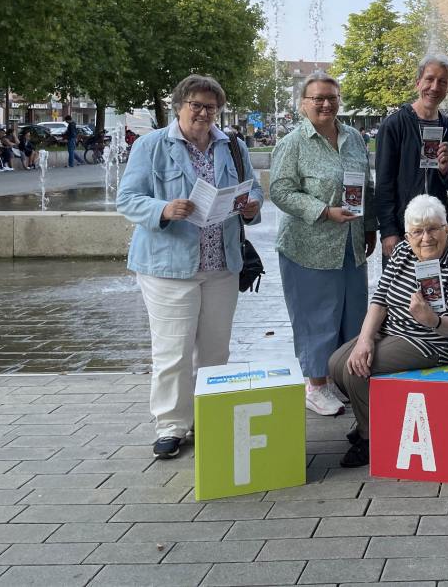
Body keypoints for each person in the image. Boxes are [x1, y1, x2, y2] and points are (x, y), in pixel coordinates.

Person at [116, 74, 263, 459]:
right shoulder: (151, 146)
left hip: (221, 264)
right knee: (173, 351)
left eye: (210, 107)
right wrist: (162, 209)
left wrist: (251, 205)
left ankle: (208, 415)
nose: (203, 113)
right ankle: (171, 425)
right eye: (195, 105)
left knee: (215, 350)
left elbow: (253, 187)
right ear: (179, 105)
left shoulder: (232, 145)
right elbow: (127, 198)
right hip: (168, 266)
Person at [328, 195, 448, 467]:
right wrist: (364, 340)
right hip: (393, 329)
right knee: (337, 363)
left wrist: (431, 319)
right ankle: (372, 417)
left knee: (357, 372)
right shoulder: (402, 251)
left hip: (433, 341)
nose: (426, 238)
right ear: (408, 234)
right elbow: (380, 299)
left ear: (447, 228)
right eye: (417, 231)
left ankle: (370, 438)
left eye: (433, 228)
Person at [272, 73, 378, 417]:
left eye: (331, 97)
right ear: (303, 103)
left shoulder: (353, 138)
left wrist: (370, 225)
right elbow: (281, 191)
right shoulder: (293, 143)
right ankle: (315, 386)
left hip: (350, 244)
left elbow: (367, 184)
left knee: (351, 313)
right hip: (308, 246)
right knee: (315, 317)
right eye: (317, 98)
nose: (325, 104)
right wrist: (323, 211)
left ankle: (340, 379)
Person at [375, 54, 448, 260]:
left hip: (437, 229)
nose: (434, 87)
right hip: (403, 228)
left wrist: (445, 170)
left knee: (436, 289)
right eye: (429, 79)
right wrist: (388, 231)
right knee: (402, 290)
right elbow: (383, 185)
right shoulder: (394, 125)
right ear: (418, 83)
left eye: (442, 82)